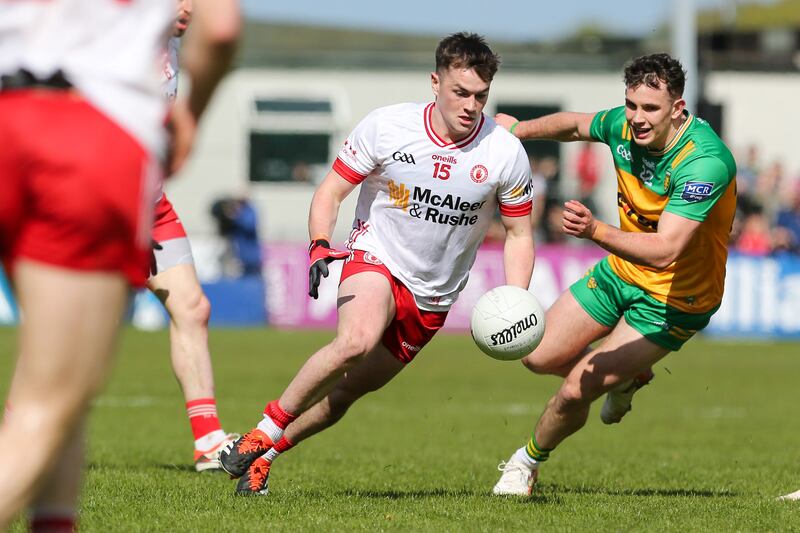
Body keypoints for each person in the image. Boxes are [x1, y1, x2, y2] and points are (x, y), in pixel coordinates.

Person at [219, 32, 536, 496]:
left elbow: (520, 234)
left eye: (481, 96)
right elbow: (331, 190)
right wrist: (320, 242)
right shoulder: (387, 126)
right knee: (355, 341)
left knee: (344, 396)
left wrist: (516, 296)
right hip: (376, 256)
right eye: (460, 92)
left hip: (433, 295)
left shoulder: (504, 152)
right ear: (435, 82)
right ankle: (264, 428)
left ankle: (264, 456)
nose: (470, 105)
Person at [0, 0, 240, 529]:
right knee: (57, 392)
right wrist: (190, 119)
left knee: (189, 308)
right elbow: (223, 29)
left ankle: (207, 439)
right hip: (89, 151)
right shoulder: (129, 42)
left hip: (21, 125)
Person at [491, 53, 737, 496]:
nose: (637, 119)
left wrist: (594, 230)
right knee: (535, 353)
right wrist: (518, 131)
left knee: (573, 391)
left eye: (650, 109)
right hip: (622, 271)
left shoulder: (705, 162)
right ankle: (628, 376)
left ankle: (524, 463)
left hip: (674, 300)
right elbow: (574, 125)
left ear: (677, 109)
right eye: (631, 105)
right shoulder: (622, 126)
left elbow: (665, 251)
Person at [149, 0, 237, 472]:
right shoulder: (116, 33)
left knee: (191, 306)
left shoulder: (173, 43)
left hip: (147, 200)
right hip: (97, 189)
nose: (189, 6)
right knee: (65, 329)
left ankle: (208, 442)